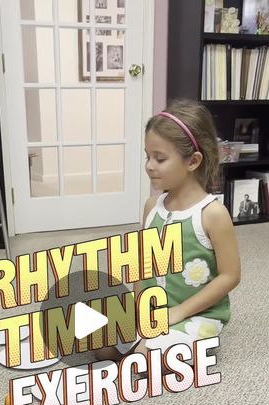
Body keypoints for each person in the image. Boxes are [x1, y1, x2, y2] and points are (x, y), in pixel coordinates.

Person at [96, 98, 241, 362]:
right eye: (147, 156)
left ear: (193, 161)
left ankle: (194, 345)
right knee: (100, 343)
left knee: (142, 359)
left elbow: (230, 276)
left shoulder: (213, 214)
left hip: (198, 314)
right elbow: (142, 264)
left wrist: (180, 311)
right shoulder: (152, 206)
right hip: (155, 311)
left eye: (160, 158)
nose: (149, 165)